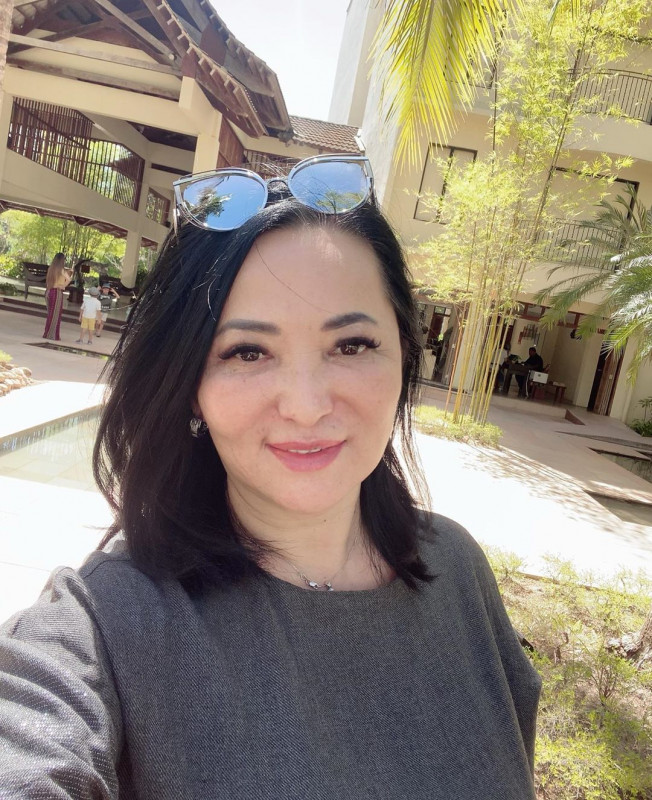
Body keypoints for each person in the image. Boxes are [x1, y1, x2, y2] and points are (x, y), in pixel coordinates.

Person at [0, 155, 540, 799]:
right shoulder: (106, 624)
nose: (306, 406)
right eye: (248, 352)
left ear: (402, 357)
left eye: (351, 345)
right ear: (190, 385)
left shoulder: (456, 567)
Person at [42, 252, 72, 340]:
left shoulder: (51, 268)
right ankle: (52, 335)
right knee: (55, 314)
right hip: (56, 292)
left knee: (50, 314)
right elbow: (69, 279)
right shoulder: (61, 270)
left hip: (48, 291)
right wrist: (63, 286)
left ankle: (47, 333)